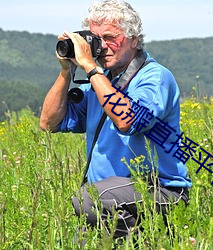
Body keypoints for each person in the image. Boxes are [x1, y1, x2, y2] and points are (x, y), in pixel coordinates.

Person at [40, 0, 192, 244]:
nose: (102, 47)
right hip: (110, 199)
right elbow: (49, 123)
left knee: (88, 199)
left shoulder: (154, 77)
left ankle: (146, 241)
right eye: (96, 39)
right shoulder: (100, 83)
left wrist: (90, 68)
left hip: (159, 191)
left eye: (110, 37)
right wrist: (66, 70)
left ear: (133, 39)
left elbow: (128, 120)